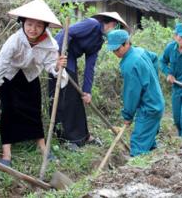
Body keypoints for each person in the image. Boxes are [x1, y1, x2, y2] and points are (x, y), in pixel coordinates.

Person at [0, 0, 67, 167]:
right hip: (9, 76)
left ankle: (43, 149)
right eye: (29, 24)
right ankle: (7, 154)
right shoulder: (14, 41)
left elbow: (51, 66)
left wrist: (58, 65)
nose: (33, 29)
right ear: (22, 23)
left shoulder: (49, 44)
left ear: (44, 27)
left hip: (30, 75)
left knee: (33, 110)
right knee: (9, 111)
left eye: (38, 25)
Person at [49, 12, 128, 150]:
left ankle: (83, 136)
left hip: (71, 60)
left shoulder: (99, 41)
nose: (115, 29)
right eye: (114, 26)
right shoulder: (92, 24)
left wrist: (87, 91)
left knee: (76, 99)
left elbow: (90, 66)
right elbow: (66, 33)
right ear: (108, 22)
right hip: (59, 55)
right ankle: (66, 138)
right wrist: (58, 57)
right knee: (64, 99)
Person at [107, 29, 164, 156]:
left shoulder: (129, 65)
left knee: (138, 145)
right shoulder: (140, 51)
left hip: (149, 108)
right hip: (155, 102)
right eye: (112, 50)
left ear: (126, 43)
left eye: (117, 49)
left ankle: (136, 172)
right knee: (149, 143)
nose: (115, 53)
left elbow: (131, 94)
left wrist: (128, 116)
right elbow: (154, 58)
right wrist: (152, 80)